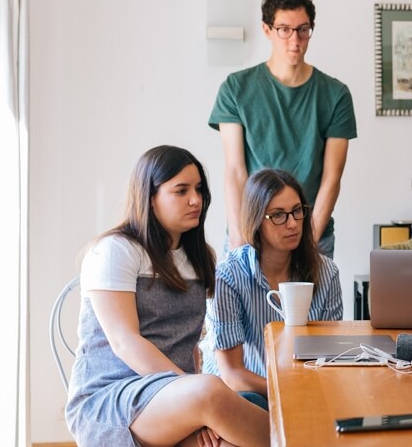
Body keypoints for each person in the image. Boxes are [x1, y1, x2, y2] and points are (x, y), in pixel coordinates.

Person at [66, 146, 267, 447]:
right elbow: (125, 343)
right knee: (212, 392)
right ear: (150, 196)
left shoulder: (198, 257)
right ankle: (313, 438)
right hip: (111, 400)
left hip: (175, 399)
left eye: (199, 189)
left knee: (232, 435)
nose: (195, 199)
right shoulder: (115, 250)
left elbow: (190, 345)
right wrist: (194, 395)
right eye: (181, 190)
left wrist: (193, 406)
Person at [210, 0, 356, 257]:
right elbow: (235, 171)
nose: (295, 40)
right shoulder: (236, 89)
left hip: (312, 234)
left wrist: (308, 243)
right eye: (284, 30)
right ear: (267, 30)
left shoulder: (336, 95)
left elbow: (332, 178)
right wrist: (239, 238)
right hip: (252, 234)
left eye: (303, 29)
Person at [205, 168, 343, 404]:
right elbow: (232, 375)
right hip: (242, 396)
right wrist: (290, 390)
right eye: (278, 215)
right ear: (257, 220)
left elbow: (329, 357)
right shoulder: (228, 276)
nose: (292, 224)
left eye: (297, 211)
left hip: (303, 390)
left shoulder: (327, 272)